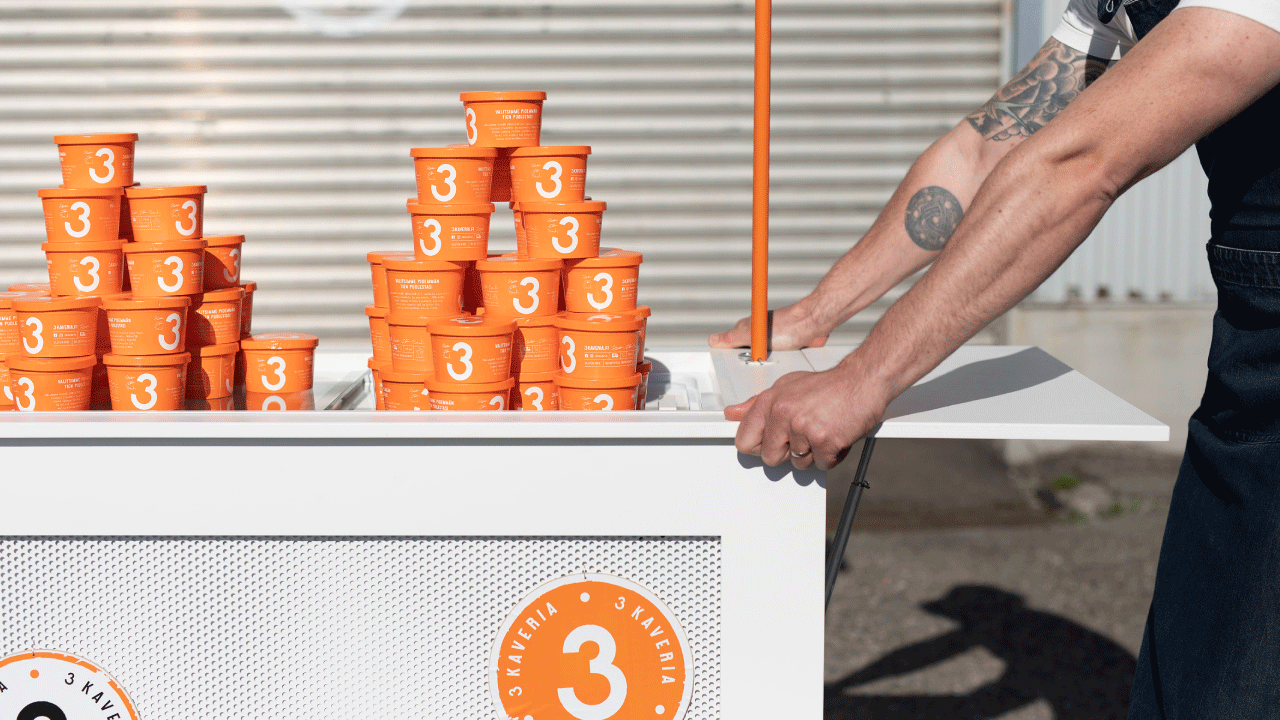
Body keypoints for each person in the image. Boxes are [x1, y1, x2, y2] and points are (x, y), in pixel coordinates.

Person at [712, 0, 1280, 715]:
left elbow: (1079, 163)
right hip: (1253, 344)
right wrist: (817, 313)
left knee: (1229, 675)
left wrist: (864, 378)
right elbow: (984, 150)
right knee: (1199, 656)